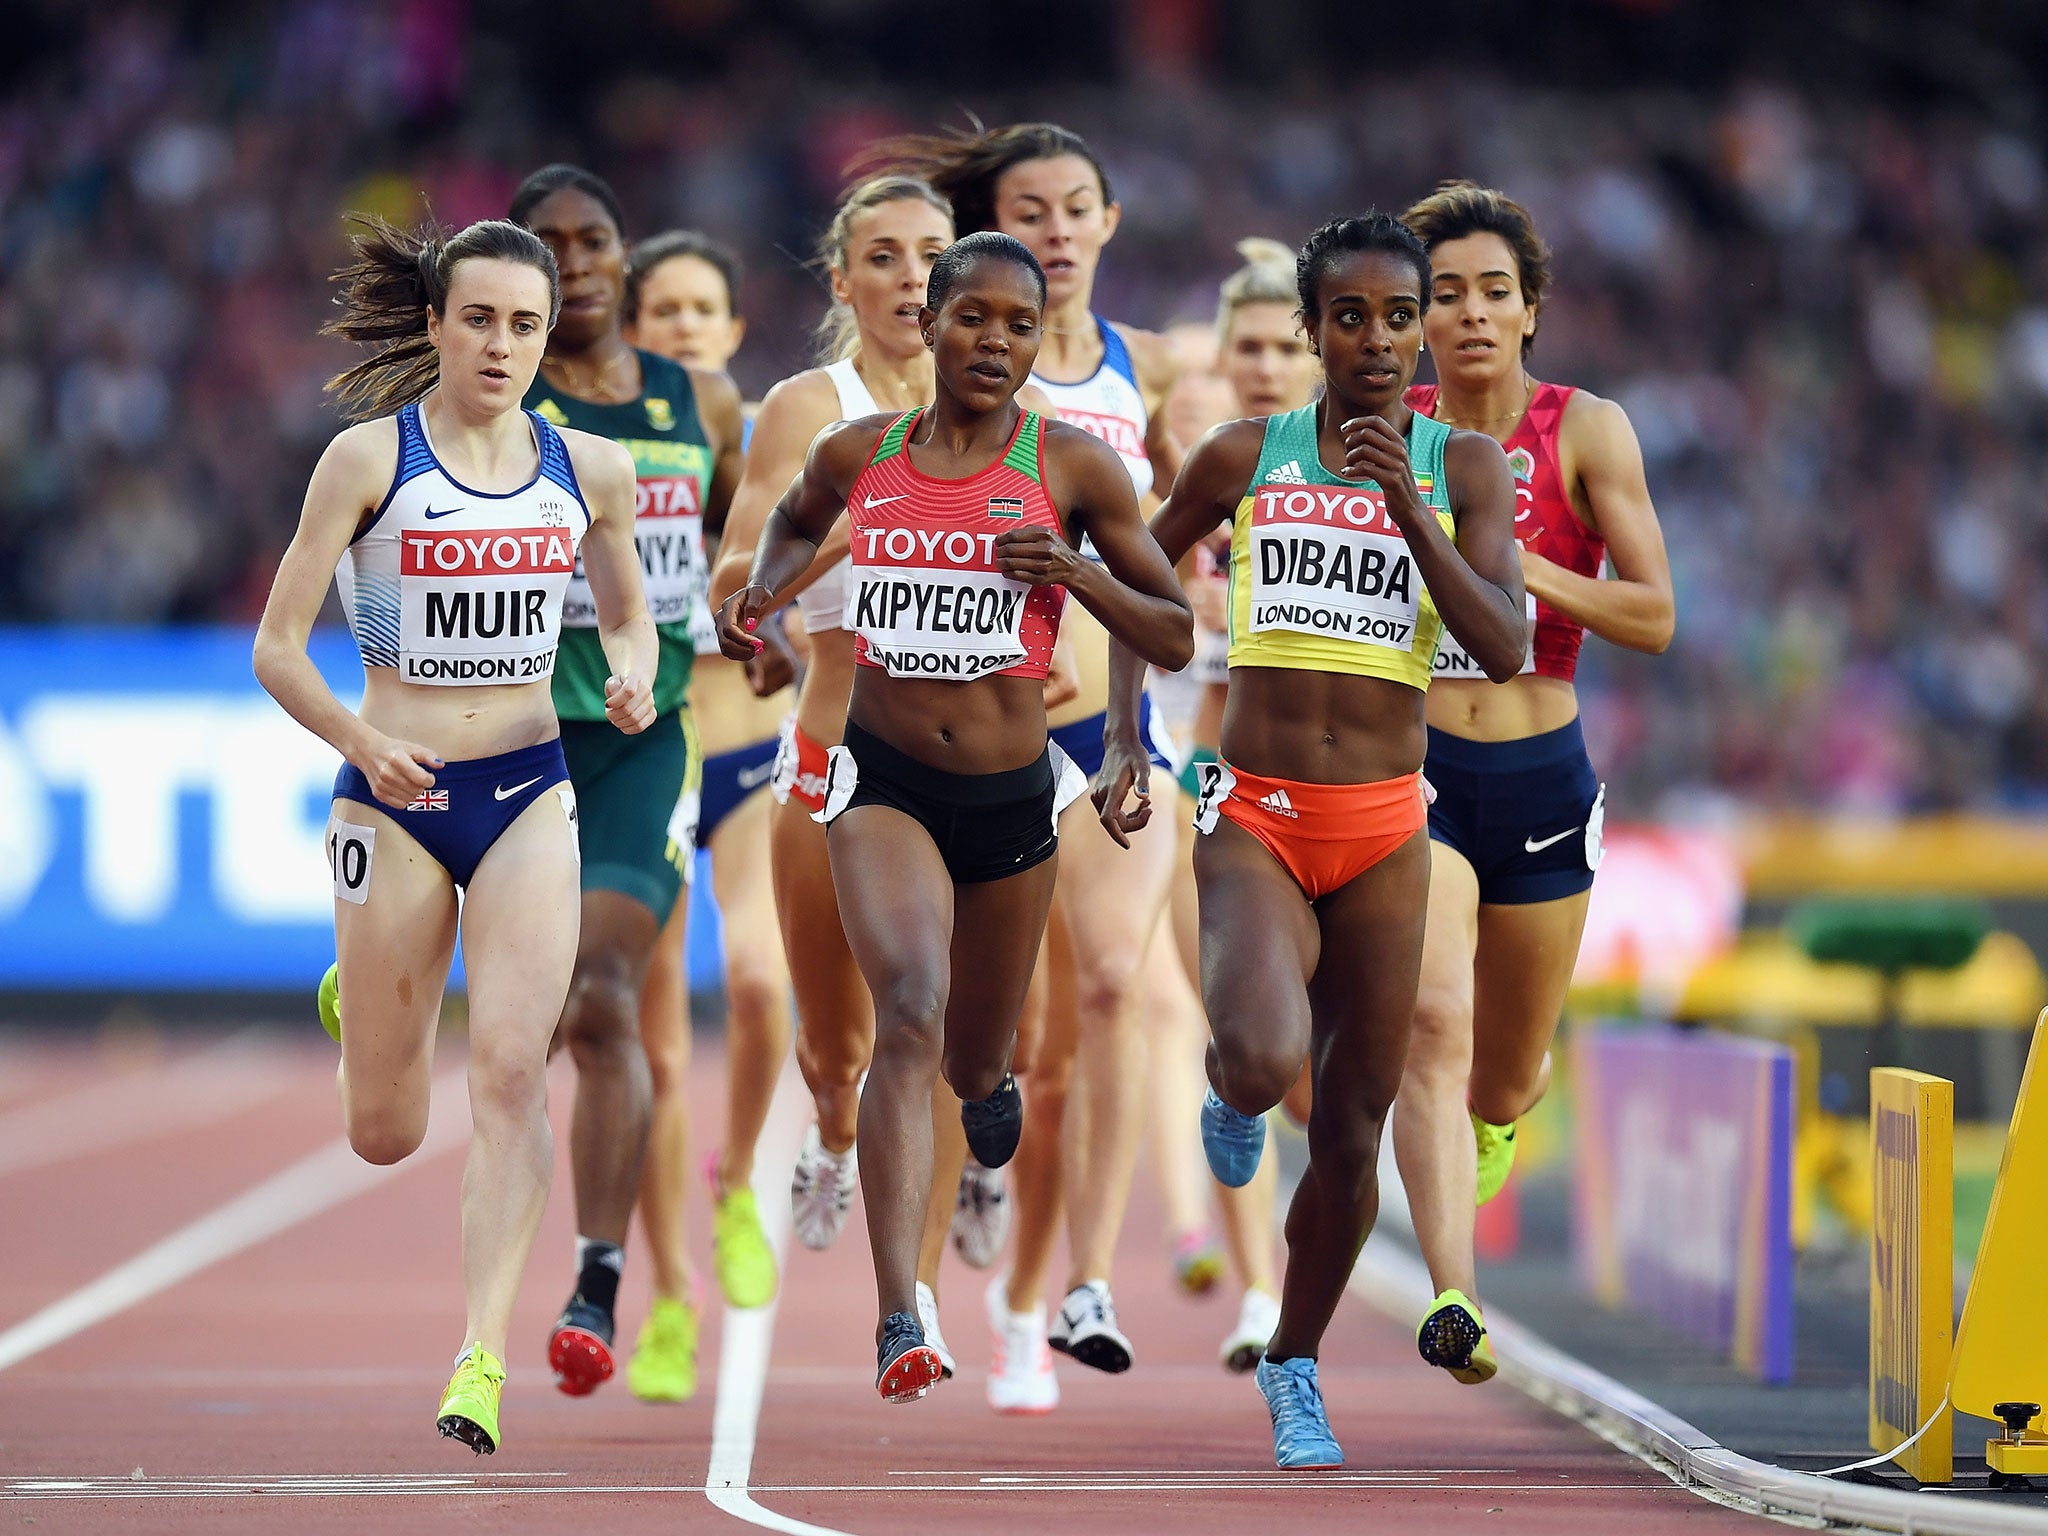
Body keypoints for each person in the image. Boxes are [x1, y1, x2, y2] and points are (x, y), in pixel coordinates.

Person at [719, 231, 1193, 1402]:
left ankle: (988, 1093)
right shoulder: (857, 449)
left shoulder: (1074, 468)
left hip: (1009, 797)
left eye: (1017, 325)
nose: (993, 341)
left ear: (1040, 341)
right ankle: (901, 1310)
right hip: (879, 776)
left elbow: (1173, 629)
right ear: (924, 325)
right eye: (969, 317)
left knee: (986, 1054)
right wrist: (763, 606)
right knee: (908, 1011)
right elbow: (786, 524)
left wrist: (1073, 575)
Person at [1096, 213, 1526, 1468]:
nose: (1381, 340)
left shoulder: (1467, 466)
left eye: (1403, 317)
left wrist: (1411, 503)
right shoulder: (1244, 453)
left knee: (1348, 1134)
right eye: (1353, 316)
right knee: (1265, 1053)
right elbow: (1138, 574)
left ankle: (1293, 1362)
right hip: (1256, 812)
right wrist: (1128, 736)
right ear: (1312, 328)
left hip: (1387, 828)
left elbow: (1499, 646)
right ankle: (1231, 1091)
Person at [265, 216, 655, 1453]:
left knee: (506, 1072)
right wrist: (361, 742)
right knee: (384, 1133)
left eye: (525, 324)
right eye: (477, 318)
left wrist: (635, 675)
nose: (500, 344)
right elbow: (277, 649)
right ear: (434, 324)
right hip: (394, 797)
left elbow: (631, 619)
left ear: (552, 336)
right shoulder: (365, 460)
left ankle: (479, 1354)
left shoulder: (590, 469)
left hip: (529, 792)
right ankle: (362, 1001)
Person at [869, 119, 1187, 1408]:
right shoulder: (942, 372)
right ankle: (961, 1235)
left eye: (1074, 206)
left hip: (1103, 719)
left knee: (1113, 984)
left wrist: (1126, 721)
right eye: (1025, 207)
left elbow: (1173, 541)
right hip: (963, 721)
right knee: (980, 1026)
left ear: (1108, 224)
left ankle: (1081, 1284)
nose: (1054, 226)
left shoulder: (1158, 367)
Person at [1392, 182, 1673, 1385]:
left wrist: (1509, 574)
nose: (1465, 315)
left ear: (1529, 310)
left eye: (1489, 293)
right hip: (1414, 767)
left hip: (1541, 770)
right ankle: (1455, 1296)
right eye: (1440, 294)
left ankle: (1500, 1120)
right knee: (1433, 1021)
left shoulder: (1586, 430)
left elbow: (1653, 614)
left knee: (1499, 1069)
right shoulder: (1378, 430)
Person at [707, 176, 988, 1368]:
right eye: (884, 256)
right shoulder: (803, 409)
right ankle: (828, 1125)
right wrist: (831, 550)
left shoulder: (1004, 410)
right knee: (841, 1051)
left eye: (934, 254)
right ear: (844, 282)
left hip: (979, 758)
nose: (912, 277)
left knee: (941, 1032)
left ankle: (910, 1302)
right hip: (832, 751)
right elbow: (736, 580)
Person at [509, 165, 750, 1402]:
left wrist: (750, 613)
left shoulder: (697, 399)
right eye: (545, 245)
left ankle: (601, 1278)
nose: (575, 260)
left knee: (606, 999)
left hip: (639, 731)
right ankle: (383, 949)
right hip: (502, 730)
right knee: (523, 1023)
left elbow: (742, 537)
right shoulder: (493, 397)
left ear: (621, 257)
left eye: (592, 238)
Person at [612, 227, 798, 1404]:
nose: (682, 326)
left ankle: (738, 1185)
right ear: (631, 328)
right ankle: (669, 1295)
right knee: (653, 1048)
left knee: (763, 984)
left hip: (739, 743)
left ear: (732, 331)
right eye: (661, 309)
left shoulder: (734, 433)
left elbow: (775, 564)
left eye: (702, 309)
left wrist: (764, 619)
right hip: (645, 753)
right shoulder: (592, 450)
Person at [1158, 237, 1327, 1374]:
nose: (1263, 367)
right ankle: (1258, 1296)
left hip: (1334, 790)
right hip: (1203, 781)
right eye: (1245, 348)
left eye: (1285, 347)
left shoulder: (1359, 477)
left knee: (1319, 1082)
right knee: (1235, 1044)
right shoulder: (1199, 475)